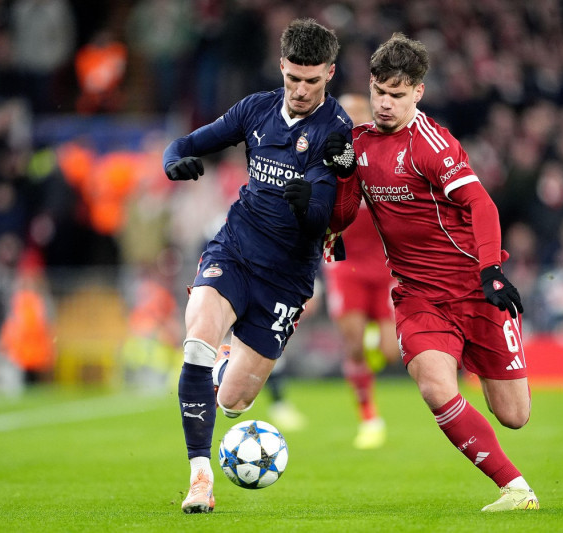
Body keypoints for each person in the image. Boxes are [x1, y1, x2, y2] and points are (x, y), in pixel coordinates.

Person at [324, 33, 538, 512]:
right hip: (418, 296)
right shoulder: (357, 144)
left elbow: (481, 204)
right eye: (380, 91)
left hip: (474, 289)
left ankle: (497, 355)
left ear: (418, 93)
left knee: (515, 415)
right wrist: (341, 175)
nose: (385, 103)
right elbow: (340, 219)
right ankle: (516, 488)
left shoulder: (432, 145)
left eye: (397, 95)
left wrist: (492, 271)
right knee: (434, 385)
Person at [162, 18, 351, 514]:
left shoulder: (337, 133)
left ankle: (226, 370)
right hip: (234, 250)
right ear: (282, 66)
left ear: (329, 73)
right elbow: (185, 144)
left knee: (233, 402)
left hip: (286, 278)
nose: (302, 90)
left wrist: (309, 203)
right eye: (294, 78)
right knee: (197, 340)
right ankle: (200, 477)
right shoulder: (256, 109)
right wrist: (173, 161)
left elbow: (327, 222)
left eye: (313, 81)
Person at [324, 93, 399, 449]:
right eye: (346, 114)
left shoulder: (383, 154)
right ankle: (369, 416)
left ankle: (373, 341)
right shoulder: (325, 156)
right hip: (345, 262)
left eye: (358, 114)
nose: (351, 120)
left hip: (384, 264)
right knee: (352, 342)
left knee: (390, 351)